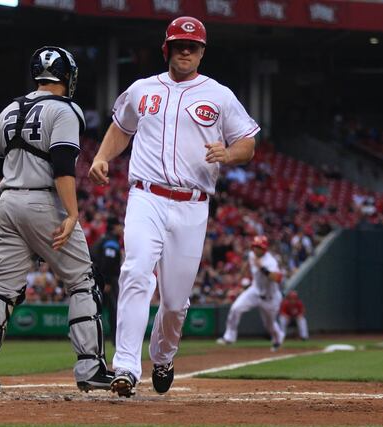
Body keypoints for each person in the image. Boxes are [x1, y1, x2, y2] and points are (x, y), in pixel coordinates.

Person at [88, 16, 259, 397]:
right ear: (166, 48)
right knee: (134, 273)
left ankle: (163, 357)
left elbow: (248, 141)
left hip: (192, 205)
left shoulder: (219, 95)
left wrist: (229, 153)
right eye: (179, 44)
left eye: (192, 45)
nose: (185, 50)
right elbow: (121, 128)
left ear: (201, 52)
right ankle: (126, 366)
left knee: (175, 303)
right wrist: (102, 156)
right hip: (146, 195)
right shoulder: (142, 89)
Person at [0, 46, 112, 396]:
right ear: (67, 76)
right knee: (82, 282)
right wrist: (72, 213)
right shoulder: (65, 110)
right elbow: (63, 167)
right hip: (43, 201)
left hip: (8, 201)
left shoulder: (6, 111)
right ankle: (90, 367)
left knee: (2, 288)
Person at [216, 235, 285, 351]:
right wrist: (240, 277)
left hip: (270, 298)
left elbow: (278, 278)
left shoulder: (270, 262)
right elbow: (247, 264)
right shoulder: (252, 255)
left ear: (264, 248)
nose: (256, 249)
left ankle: (278, 340)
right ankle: (229, 337)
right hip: (255, 291)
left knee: (270, 325)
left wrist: (262, 268)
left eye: (259, 247)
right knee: (235, 308)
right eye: (255, 246)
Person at [90, 216, 123, 345]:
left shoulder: (103, 239)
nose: (123, 228)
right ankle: (115, 341)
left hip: (95, 278)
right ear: (115, 227)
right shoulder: (111, 242)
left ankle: (94, 340)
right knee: (113, 312)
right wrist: (107, 282)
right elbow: (107, 263)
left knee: (96, 311)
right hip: (106, 281)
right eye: (120, 225)